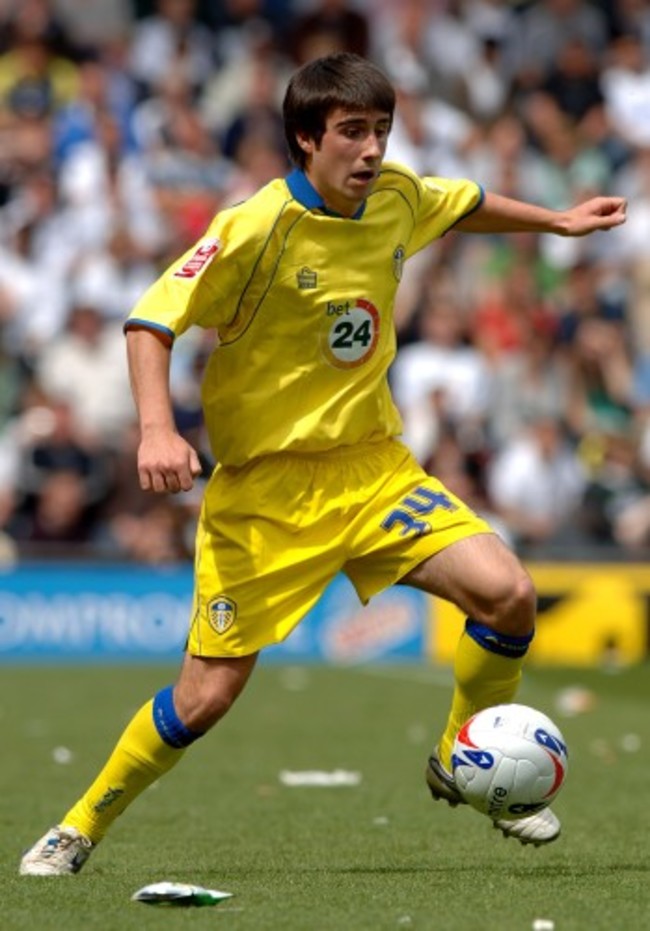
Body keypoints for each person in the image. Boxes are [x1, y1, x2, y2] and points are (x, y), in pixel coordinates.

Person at [19, 52, 627, 876]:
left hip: (373, 471)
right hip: (265, 493)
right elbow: (150, 320)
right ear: (306, 139)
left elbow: (467, 203)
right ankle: (78, 825)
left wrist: (557, 222)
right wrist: (156, 430)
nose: (372, 149)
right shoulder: (253, 228)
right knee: (205, 697)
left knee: (509, 593)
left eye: (381, 129)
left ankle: (458, 755)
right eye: (352, 132)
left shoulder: (398, 197)